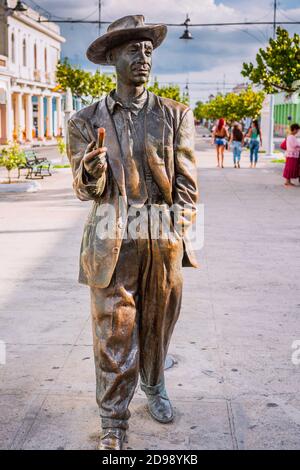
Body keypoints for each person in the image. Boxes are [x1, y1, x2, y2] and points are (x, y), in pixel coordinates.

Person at [67, 15, 198, 450]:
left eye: (148, 51)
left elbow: (187, 184)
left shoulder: (176, 115)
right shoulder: (84, 121)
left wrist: (179, 229)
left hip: (161, 237)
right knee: (114, 332)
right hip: (112, 239)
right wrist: (91, 171)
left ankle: (155, 384)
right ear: (111, 58)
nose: (143, 58)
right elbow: (85, 190)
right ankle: (113, 420)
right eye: (132, 50)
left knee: (159, 324)